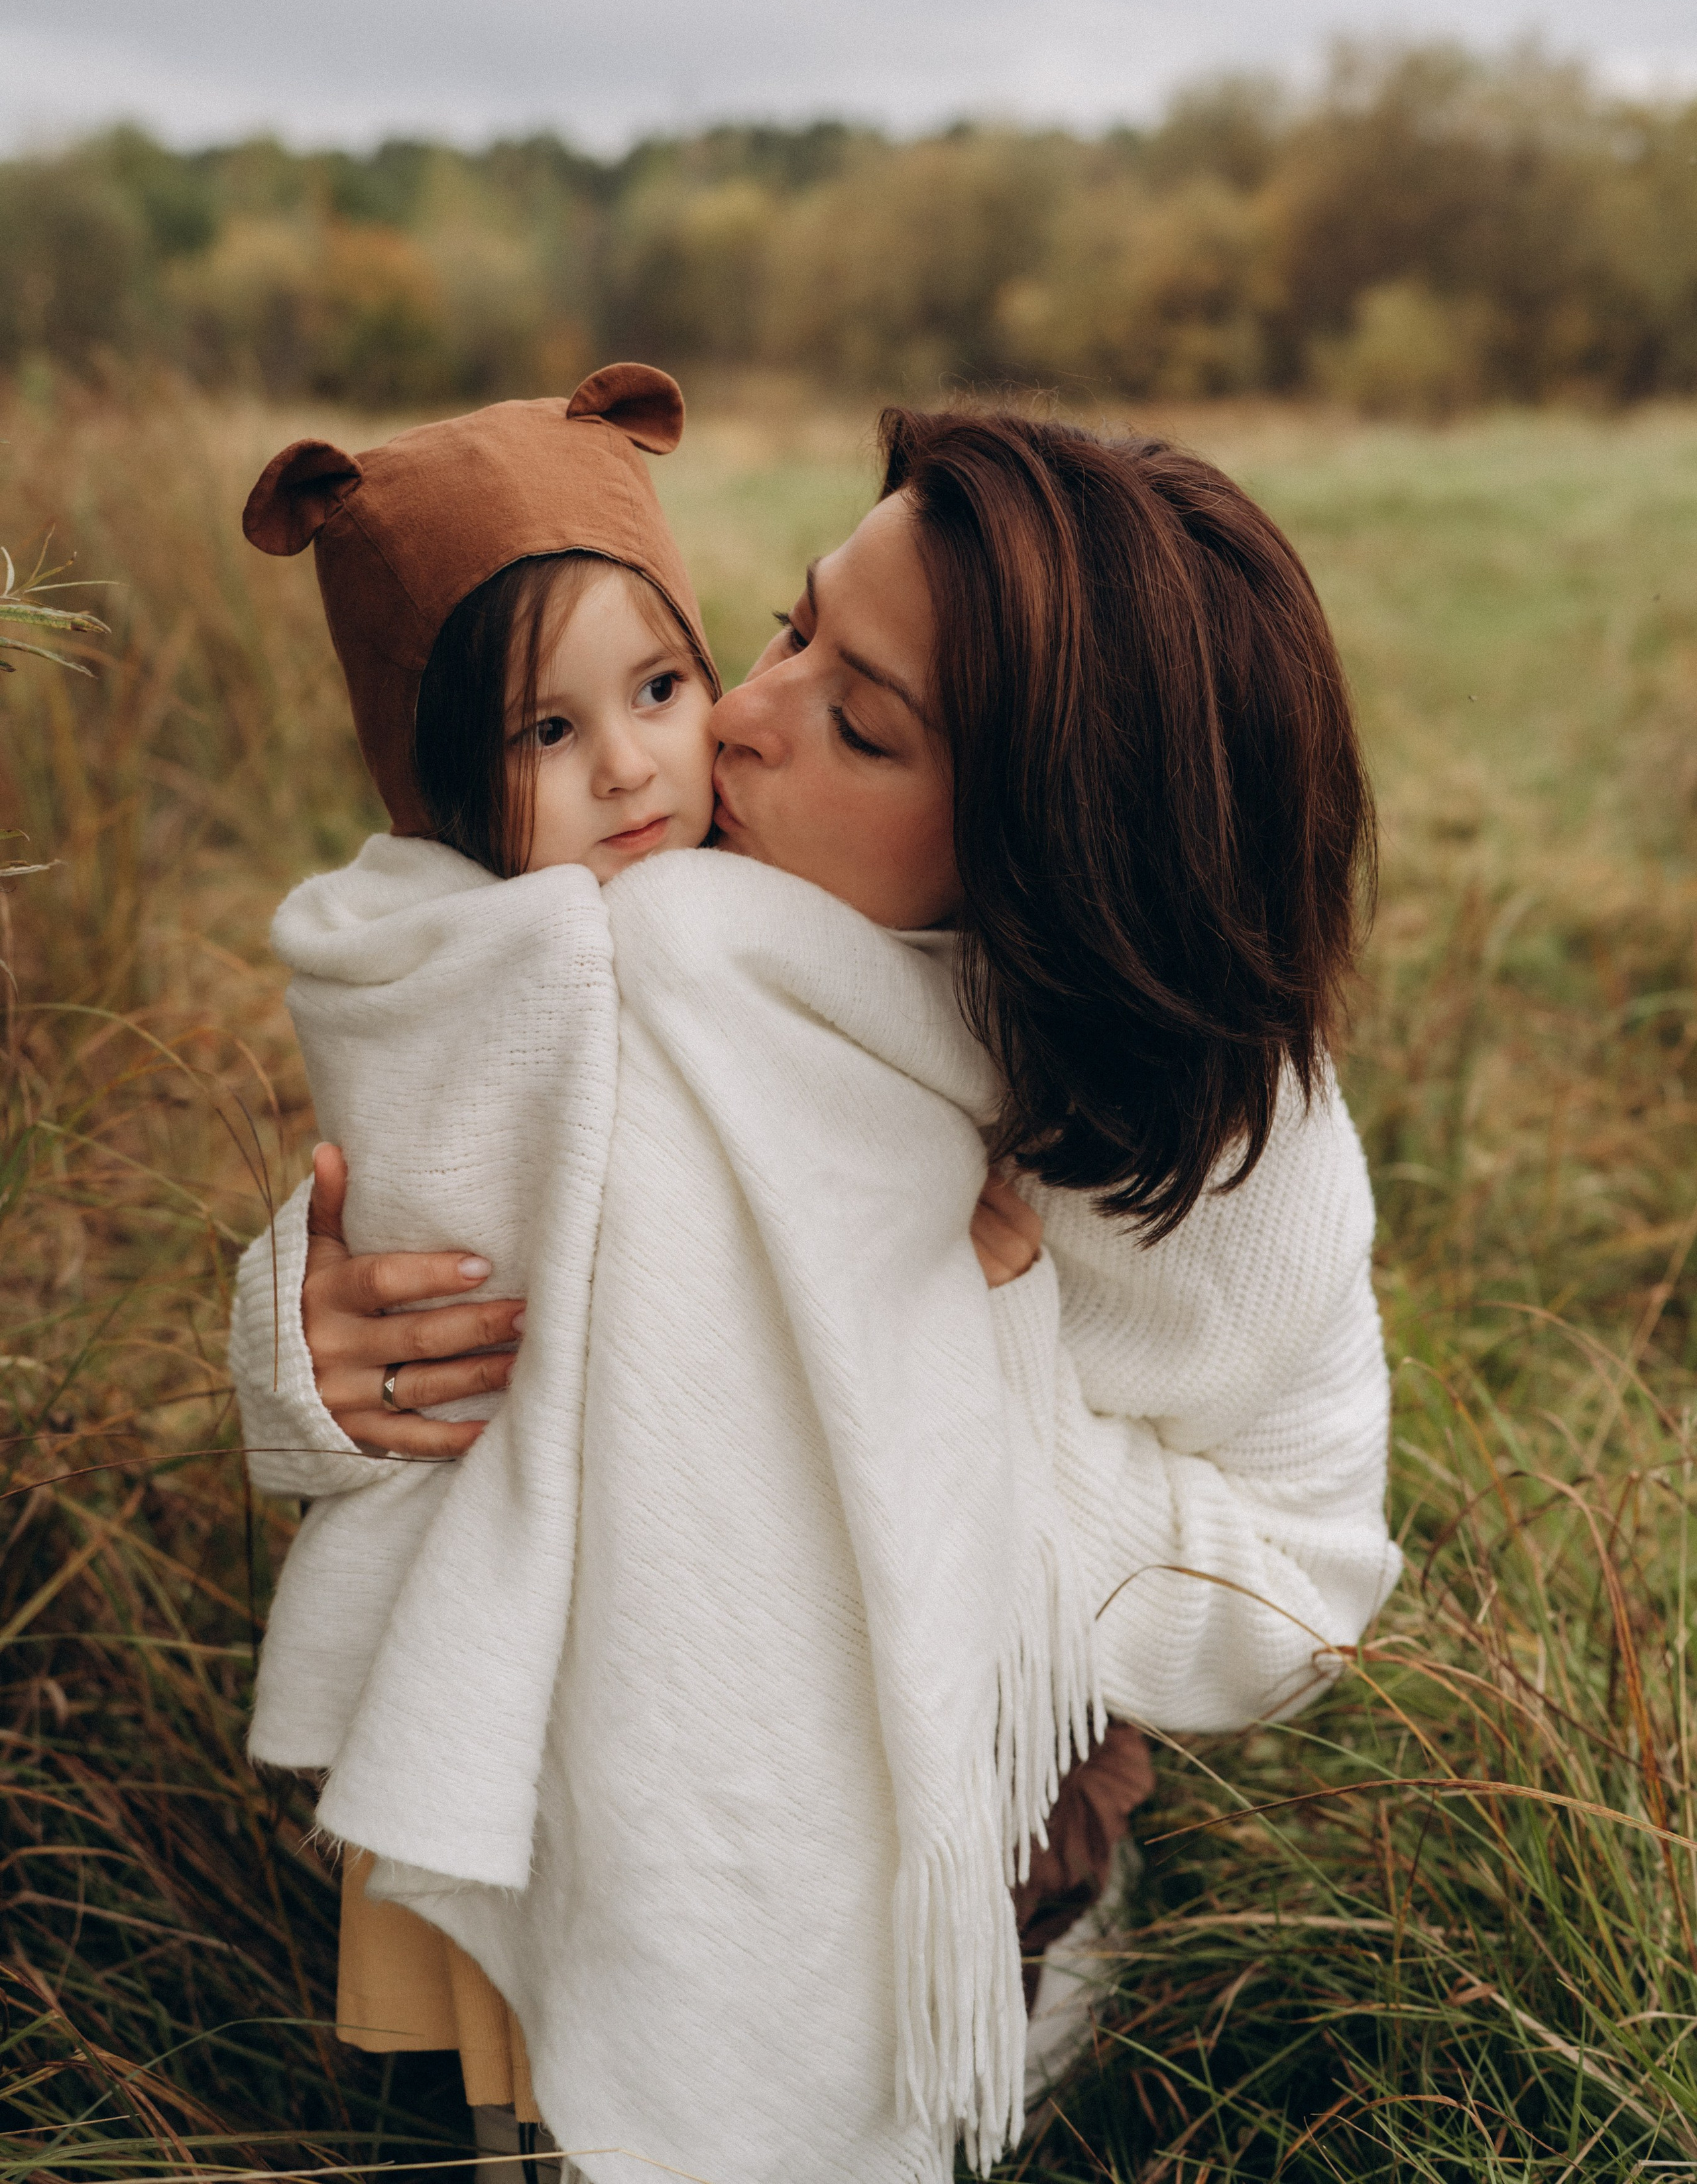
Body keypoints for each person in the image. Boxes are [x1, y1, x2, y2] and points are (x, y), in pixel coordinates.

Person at [231, 393, 1397, 2184]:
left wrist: (962, 1371)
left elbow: (1304, 1591)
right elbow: (466, 1123)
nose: (738, 727)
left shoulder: (1235, 1164)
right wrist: (309, 1346)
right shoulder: (659, 921)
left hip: (981, 1839)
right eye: (784, 627)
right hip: (596, 1791)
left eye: (857, 721)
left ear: (1049, 847)